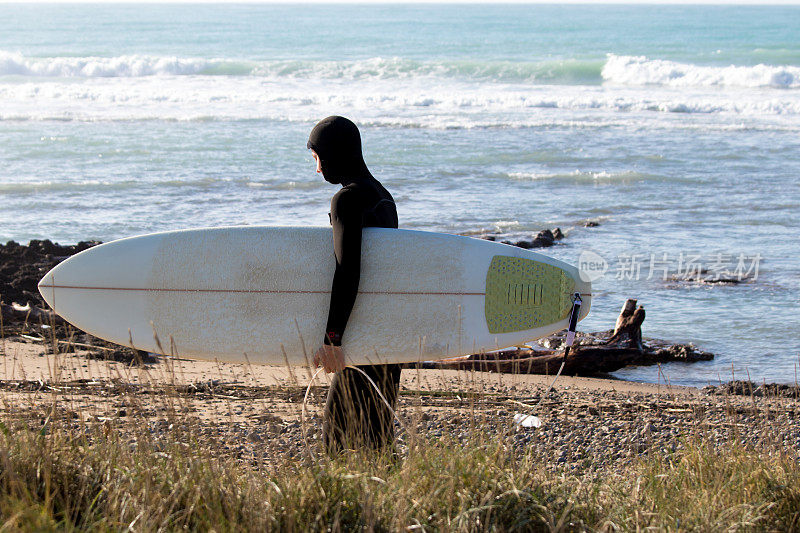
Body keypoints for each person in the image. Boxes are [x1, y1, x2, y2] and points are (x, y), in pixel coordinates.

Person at [308, 116, 402, 453]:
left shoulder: (347, 200)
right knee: (377, 441)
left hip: (365, 334)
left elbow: (347, 268)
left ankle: (350, 506)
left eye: (317, 158)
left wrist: (332, 339)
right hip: (389, 334)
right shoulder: (382, 194)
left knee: (337, 438)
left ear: (333, 154)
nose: (317, 169)